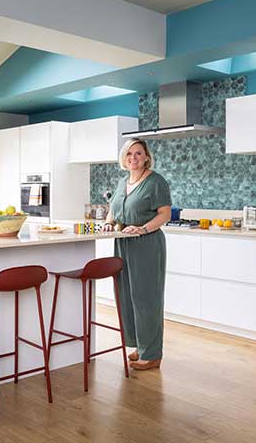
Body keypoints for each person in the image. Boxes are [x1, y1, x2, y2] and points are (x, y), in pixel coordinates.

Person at [103, 138, 171, 370]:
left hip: (147, 244)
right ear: (124, 158)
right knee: (127, 297)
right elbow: (113, 210)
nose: (134, 158)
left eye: (138, 153)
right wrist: (109, 223)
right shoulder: (123, 182)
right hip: (123, 244)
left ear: (146, 157)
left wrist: (142, 228)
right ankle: (139, 346)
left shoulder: (155, 181)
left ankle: (152, 354)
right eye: (129, 154)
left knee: (146, 298)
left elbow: (165, 215)